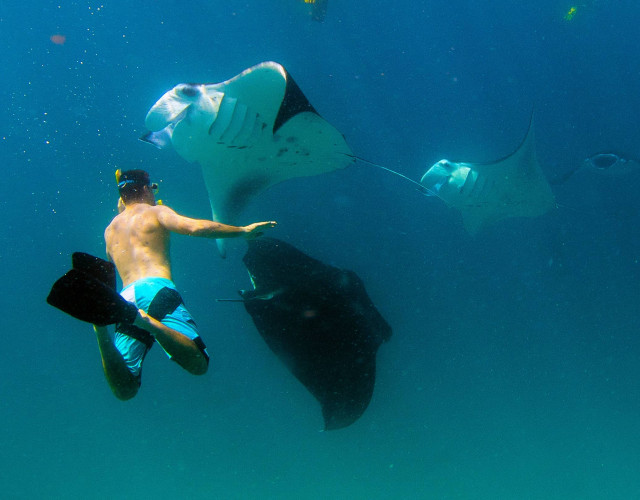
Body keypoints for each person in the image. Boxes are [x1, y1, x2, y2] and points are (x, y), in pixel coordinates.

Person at [94, 169, 277, 400]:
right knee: (199, 364)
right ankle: (147, 323)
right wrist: (242, 231)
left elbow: (111, 270)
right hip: (156, 289)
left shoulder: (110, 230)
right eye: (153, 188)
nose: (154, 193)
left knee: (125, 389)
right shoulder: (156, 212)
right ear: (144, 189)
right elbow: (195, 228)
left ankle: (99, 330)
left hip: (125, 297)